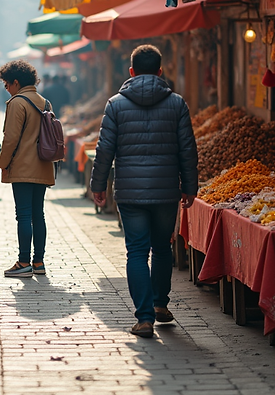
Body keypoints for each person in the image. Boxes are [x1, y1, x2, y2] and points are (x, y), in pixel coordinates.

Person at [89, 44, 198, 338]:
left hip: (130, 193)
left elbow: (104, 150)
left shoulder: (115, 104)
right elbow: (188, 149)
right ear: (161, 71)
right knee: (162, 247)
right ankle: (160, 304)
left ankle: (145, 318)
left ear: (131, 71)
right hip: (165, 191)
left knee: (136, 251)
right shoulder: (177, 103)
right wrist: (189, 187)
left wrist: (98, 185)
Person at [0, 60, 55, 278]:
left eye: (7, 84)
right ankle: (38, 262)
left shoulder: (16, 103)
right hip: (44, 165)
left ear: (16, 82)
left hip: (22, 167)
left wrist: (2, 164)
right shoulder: (45, 102)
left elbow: (10, 139)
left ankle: (23, 262)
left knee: (23, 215)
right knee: (38, 214)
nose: (6, 88)